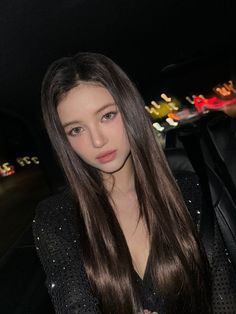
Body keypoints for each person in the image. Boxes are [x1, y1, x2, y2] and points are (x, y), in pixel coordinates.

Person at [33, 52, 234, 314]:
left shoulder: (188, 190)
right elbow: (74, 305)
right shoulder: (56, 218)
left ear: (129, 111)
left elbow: (223, 299)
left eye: (107, 116)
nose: (97, 141)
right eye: (76, 130)